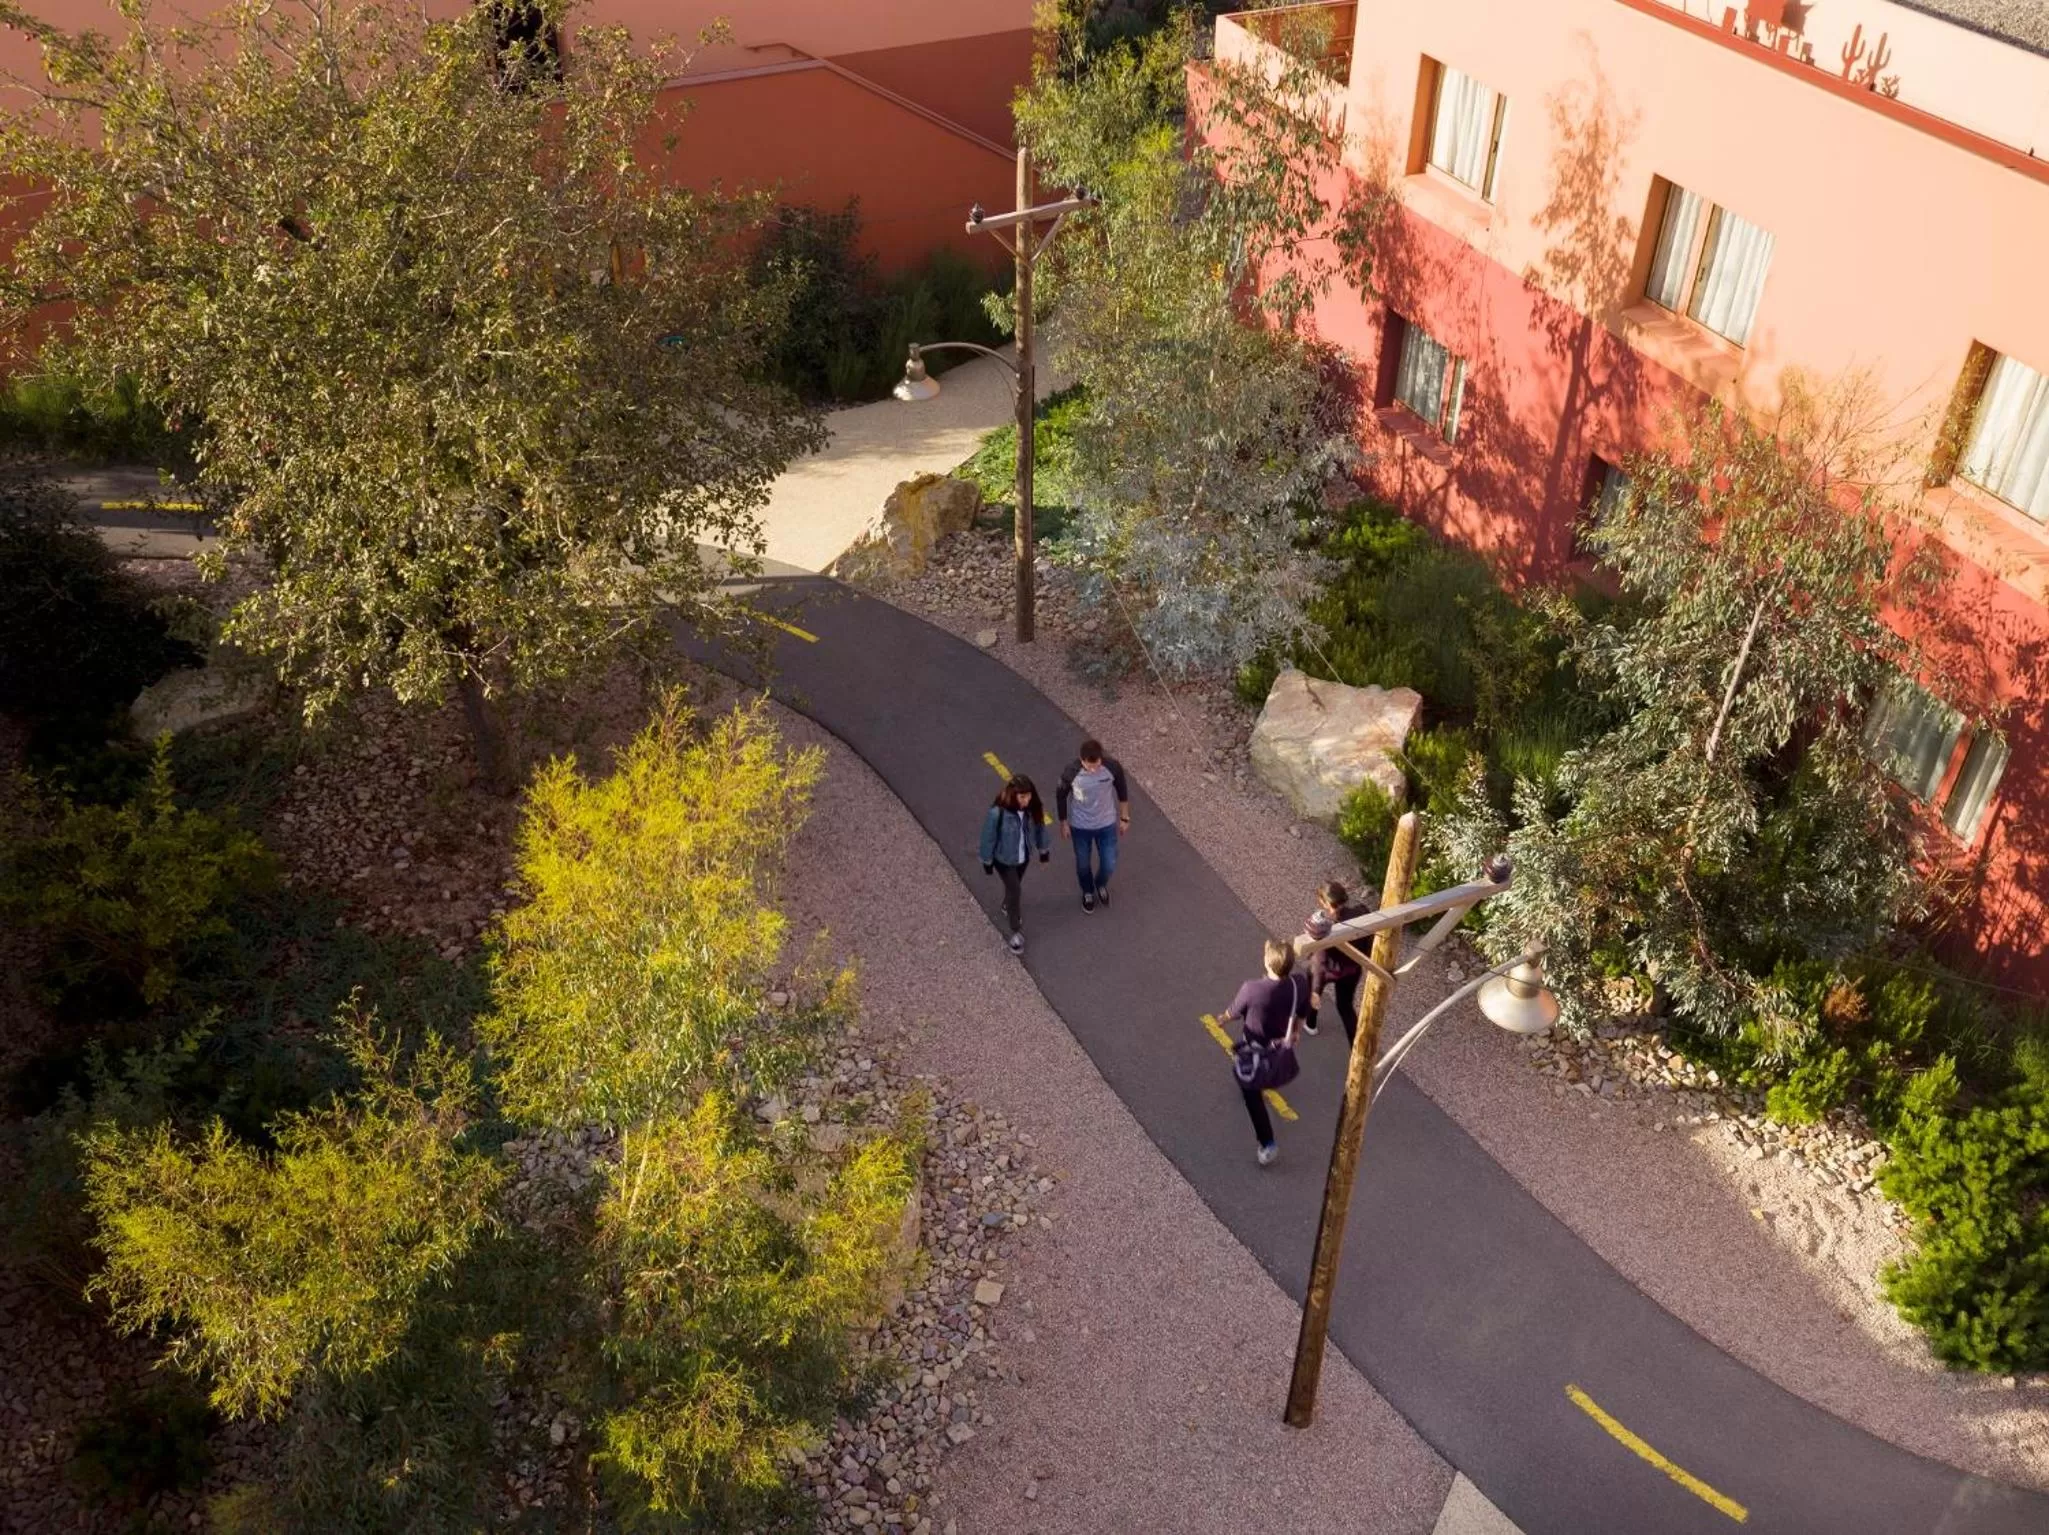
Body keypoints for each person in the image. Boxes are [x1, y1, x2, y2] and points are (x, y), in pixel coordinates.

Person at [1223, 938, 1312, 1167]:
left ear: (1267, 962)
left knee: (1251, 1093)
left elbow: (1234, 1011)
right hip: (1279, 1045)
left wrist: (1221, 1019)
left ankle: (1268, 1142)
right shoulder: (1299, 984)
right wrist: (1296, 1032)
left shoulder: (1252, 989)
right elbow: (1303, 1011)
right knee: (1270, 1069)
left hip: (1255, 1046)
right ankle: (1267, 1083)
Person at [1056, 737, 1130, 913]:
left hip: (1106, 824)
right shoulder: (1071, 772)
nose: (1094, 769)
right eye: (1089, 766)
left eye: (1096, 765)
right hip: (1080, 827)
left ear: (1101, 758)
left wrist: (1125, 817)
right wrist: (1064, 822)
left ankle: (1100, 884)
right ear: (1081, 760)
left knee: (1109, 862)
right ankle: (1088, 891)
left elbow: (1122, 791)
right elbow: (1060, 796)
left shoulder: (1112, 767)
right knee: (1083, 864)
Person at [979, 774, 1050, 954]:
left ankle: (1006, 904)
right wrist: (987, 860)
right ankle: (1015, 932)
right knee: (1015, 889)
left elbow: (1041, 829)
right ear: (1013, 794)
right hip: (1003, 860)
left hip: (1023, 857)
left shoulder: (1032, 810)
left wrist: (1043, 851)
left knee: (1013, 888)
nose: (1026, 800)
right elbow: (988, 838)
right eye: (1022, 796)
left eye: (1028, 796)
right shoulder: (998, 813)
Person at [1306, 880, 1373, 1044]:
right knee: (1345, 1007)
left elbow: (1320, 963)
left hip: (1328, 970)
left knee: (1313, 986)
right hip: (1352, 969)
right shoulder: (1362, 912)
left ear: (1323, 902)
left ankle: (1311, 1022)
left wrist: (1315, 991)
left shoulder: (1323, 927)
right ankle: (1357, 1047)